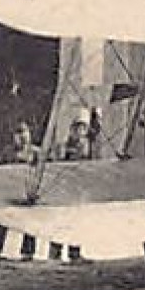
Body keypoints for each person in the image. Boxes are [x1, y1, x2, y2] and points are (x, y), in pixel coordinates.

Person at [0, 121, 43, 260]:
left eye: (24, 132)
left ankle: (28, 252)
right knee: (2, 220)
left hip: (28, 191)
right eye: (18, 133)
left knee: (30, 222)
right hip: (11, 191)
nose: (22, 136)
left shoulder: (36, 152)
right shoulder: (8, 152)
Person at [47, 109, 94, 263]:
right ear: (73, 129)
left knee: (77, 222)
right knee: (61, 221)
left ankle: (74, 253)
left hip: (79, 188)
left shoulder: (87, 145)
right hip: (65, 188)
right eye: (79, 128)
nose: (81, 132)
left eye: (84, 129)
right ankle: (55, 253)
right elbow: (58, 163)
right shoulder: (65, 145)